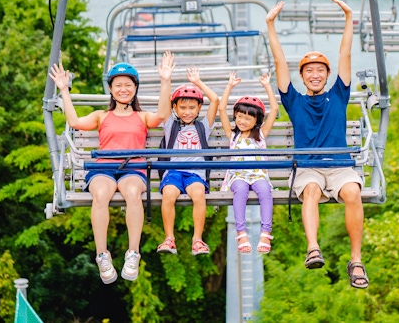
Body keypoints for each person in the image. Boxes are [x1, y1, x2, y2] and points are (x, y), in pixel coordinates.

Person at [265, 0, 369, 288]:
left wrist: (349, 17)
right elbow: (278, 62)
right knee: (310, 190)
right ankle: (313, 248)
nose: (315, 75)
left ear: (327, 74)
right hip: (308, 167)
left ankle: (356, 260)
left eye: (320, 70)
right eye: (309, 71)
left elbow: (345, 54)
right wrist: (270, 25)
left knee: (352, 191)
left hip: (339, 166)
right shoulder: (294, 100)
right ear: (301, 76)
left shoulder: (338, 94)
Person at [48, 51, 175, 284]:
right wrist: (64, 90)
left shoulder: (142, 117)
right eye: (118, 85)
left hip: (132, 169)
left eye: (128, 85)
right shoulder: (101, 116)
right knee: (100, 194)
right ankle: (102, 255)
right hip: (104, 169)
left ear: (135, 89)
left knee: (134, 193)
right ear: (111, 89)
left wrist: (165, 80)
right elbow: (75, 122)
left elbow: (163, 115)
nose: (123, 89)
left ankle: (133, 253)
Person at [156, 67, 219, 256]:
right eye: (182, 107)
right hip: (173, 172)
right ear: (174, 108)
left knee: (198, 195)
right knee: (168, 194)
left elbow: (215, 100)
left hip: (195, 173)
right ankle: (169, 238)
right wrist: (165, 80)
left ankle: (197, 239)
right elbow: (164, 104)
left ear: (199, 108)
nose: (187, 112)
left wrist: (197, 82)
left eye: (192, 108)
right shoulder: (170, 125)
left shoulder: (203, 127)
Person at [218, 71, 279, 254]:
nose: (242, 121)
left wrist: (267, 86)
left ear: (256, 121)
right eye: (239, 117)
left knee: (265, 192)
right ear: (235, 116)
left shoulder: (260, 135)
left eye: (248, 118)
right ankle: (241, 233)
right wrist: (229, 86)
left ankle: (265, 232)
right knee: (240, 192)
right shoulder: (233, 134)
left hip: (258, 174)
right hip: (238, 175)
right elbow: (221, 109)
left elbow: (274, 110)